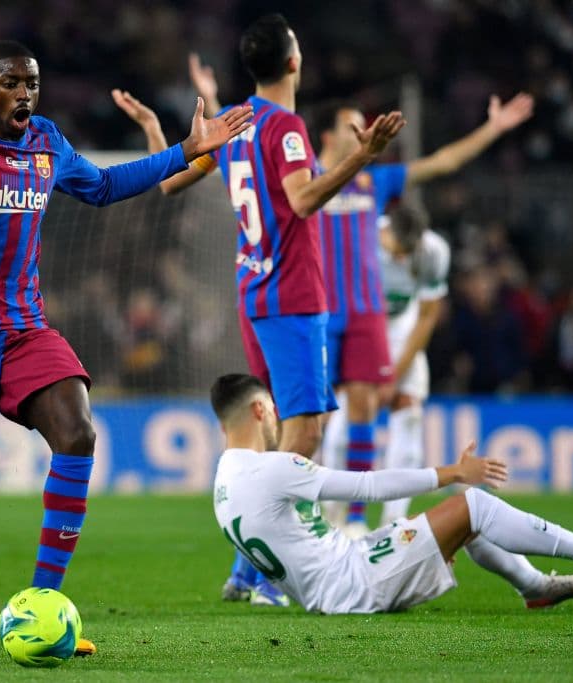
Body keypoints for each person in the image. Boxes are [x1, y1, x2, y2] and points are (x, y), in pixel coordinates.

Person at [0, 39, 253, 646]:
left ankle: (45, 603)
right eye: (12, 83)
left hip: (22, 329)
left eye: (32, 84)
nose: (24, 94)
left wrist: (187, 151)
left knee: (78, 433)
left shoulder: (47, 141)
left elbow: (102, 186)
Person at [113, 13, 405, 606]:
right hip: (292, 296)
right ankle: (269, 571)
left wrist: (153, 131)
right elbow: (301, 199)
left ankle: (249, 570)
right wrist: (362, 158)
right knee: (305, 434)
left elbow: (170, 182)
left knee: (276, 433)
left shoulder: (236, 122)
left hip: (254, 293)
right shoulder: (287, 128)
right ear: (294, 61)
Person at [186, 48, 533, 534]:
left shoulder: (372, 179)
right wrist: (214, 101)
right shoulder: (299, 173)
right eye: (352, 125)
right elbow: (247, 141)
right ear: (328, 134)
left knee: (364, 407)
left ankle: (353, 519)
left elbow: (440, 163)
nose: (362, 133)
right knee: (309, 424)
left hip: (364, 310)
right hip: (313, 308)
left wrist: (492, 130)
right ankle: (310, 511)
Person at [210, 373, 573, 614]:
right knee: (473, 504)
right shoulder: (271, 469)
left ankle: (536, 588)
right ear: (259, 409)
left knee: (463, 524)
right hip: (354, 582)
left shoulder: (222, 488)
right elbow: (368, 486)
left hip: (338, 579)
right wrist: (452, 472)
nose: (276, 421)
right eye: (272, 411)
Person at [325, 204, 451, 527]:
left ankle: (394, 521)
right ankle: (335, 514)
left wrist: (392, 376)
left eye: (409, 251)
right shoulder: (358, 239)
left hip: (401, 327)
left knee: (409, 411)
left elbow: (426, 316)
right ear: (386, 232)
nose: (401, 259)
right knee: (352, 409)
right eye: (397, 250)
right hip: (359, 321)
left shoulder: (434, 252)